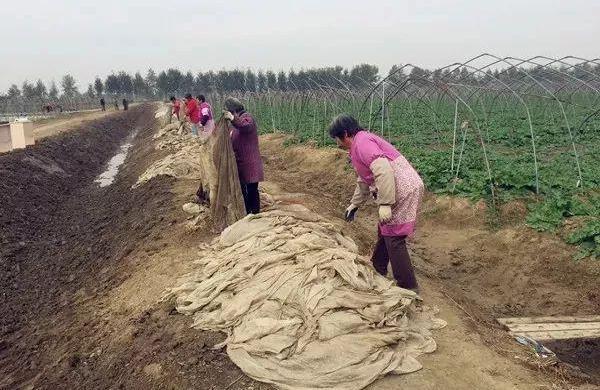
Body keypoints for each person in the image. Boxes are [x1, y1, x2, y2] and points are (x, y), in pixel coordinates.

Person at [329, 114, 423, 292]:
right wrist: (354, 204)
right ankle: (378, 266)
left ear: (346, 134)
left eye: (337, 139)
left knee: (394, 237)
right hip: (399, 187)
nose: (337, 143)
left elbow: (384, 170)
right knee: (385, 228)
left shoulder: (363, 142)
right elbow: (364, 179)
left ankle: (408, 287)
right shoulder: (358, 145)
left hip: (402, 188)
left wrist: (386, 203)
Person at [223, 97, 263, 214]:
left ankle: (255, 213)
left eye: (229, 111)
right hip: (240, 163)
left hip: (250, 162)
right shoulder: (235, 122)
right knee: (243, 190)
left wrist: (232, 118)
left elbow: (246, 126)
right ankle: (247, 212)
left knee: (251, 189)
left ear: (233, 110)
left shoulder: (247, 117)